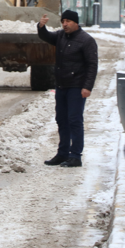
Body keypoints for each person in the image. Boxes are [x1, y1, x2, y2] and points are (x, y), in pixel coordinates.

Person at [39, 10, 98, 168]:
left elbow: (92, 65)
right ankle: (63, 153)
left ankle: (75, 156)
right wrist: (41, 27)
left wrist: (87, 86)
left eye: (68, 21)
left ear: (76, 22)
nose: (65, 24)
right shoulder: (60, 36)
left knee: (74, 121)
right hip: (62, 85)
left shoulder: (86, 40)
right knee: (61, 120)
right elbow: (46, 36)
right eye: (63, 21)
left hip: (76, 87)